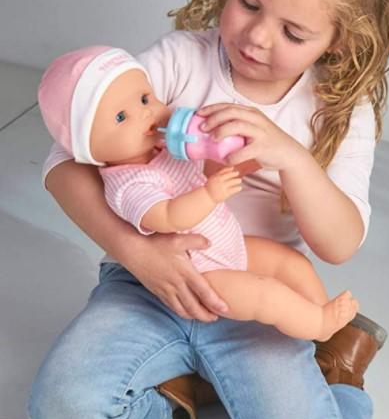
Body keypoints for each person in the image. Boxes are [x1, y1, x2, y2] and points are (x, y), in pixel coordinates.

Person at [28, 0, 389, 419]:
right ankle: (185, 394)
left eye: (294, 33)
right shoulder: (182, 61)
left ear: (341, 39)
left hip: (258, 295)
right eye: (249, 3)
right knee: (63, 418)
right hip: (149, 283)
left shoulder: (339, 110)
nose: (257, 37)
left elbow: (339, 243)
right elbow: (64, 159)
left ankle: (341, 368)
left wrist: (290, 157)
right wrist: (139, 254)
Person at [38, 45, 359, 341]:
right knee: (266, 295)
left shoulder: (163, 150)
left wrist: (237, 158)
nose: (145, 113)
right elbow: (166, 217)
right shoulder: (127, 184)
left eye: (145, 99)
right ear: (89, 150)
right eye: (121, 117)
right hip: (203, 273)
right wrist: (210, 194)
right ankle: (319, 326)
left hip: (231, 246)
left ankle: (323, 314)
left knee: (290, 263)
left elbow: (203, 172)